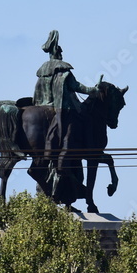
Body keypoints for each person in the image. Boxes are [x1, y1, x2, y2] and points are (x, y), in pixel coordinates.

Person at [33, 31, 100, 201]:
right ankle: (82, 148)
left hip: (42, 105)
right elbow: (77, 87)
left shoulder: (43, 72)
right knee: (84, 122)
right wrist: (93, 90)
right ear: (60, 55)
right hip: (62, 110)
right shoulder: (64, 72)